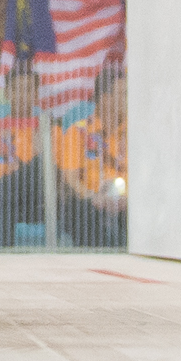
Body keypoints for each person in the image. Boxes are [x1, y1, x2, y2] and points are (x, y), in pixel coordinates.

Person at [0, 65, 45, 247]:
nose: (23, 95)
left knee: (38, 165)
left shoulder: (47, 130)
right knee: (4, 193)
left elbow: (54, 177)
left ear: (36, 95)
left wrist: (41, 152)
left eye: (28, 89)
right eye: (17, 89)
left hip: (37, 201)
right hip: (1, 198)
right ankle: (4, 252)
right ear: (8, 93)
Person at [56, 67, 128, 247]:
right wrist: (92, 196)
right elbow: (71, 179)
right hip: (91, 202)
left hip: (128, 202)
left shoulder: (135, 130)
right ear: (105, 99)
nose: (129, 100)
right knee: (81, 212)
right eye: (123, 94)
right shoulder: (78, 131)